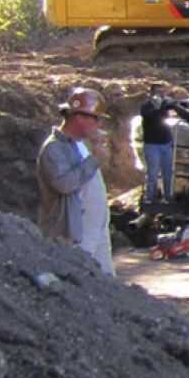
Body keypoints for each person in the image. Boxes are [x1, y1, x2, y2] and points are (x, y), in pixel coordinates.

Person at [36, 86, 114, 275]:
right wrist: (95, 158)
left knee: (106, 286)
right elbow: (64, 184)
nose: (99, 124)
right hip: (76, 232)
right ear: (80, 117)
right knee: (80, 279)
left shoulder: (79, 144)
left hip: (96, 230)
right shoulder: (54, 149)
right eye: (96, 118)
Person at [138, 88, 178, 205]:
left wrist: (169, 102)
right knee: (152, 173)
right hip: (152, 145)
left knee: (168, 172)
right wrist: (156, 107)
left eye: (161, 93)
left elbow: (174, 104)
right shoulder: (146, 106)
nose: (159, 95)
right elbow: (146, 114)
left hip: (166, 143)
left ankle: (168, 196)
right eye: (156, 93)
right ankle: (150, 196)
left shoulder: (165, 104)